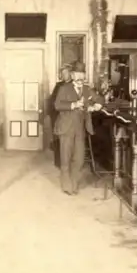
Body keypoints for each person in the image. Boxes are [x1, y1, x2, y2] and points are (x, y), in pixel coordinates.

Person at [53, 61, 105, 195]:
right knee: (65, 159)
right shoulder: (64, 88)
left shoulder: (87, 89)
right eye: (77, 74)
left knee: (80, 159)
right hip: (66, 128)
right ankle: (67, 186)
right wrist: (74, 104)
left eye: (82, 75)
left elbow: (100, 99)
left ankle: (74, 183)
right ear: (72, 75)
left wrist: (96, 106)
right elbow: (57, 105)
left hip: (80, 129)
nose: (80, 78)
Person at [47, 64, 72, 168]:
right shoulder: (58, 85)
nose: (63, 75)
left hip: (69, 117)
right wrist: (52, 114)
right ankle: (59, 163)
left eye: (65, 73)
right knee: (57, 140)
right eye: (62, 73)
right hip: (57, 116)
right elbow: (52, 101)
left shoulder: (74, 85)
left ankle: (69, 163)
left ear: (70, 73)